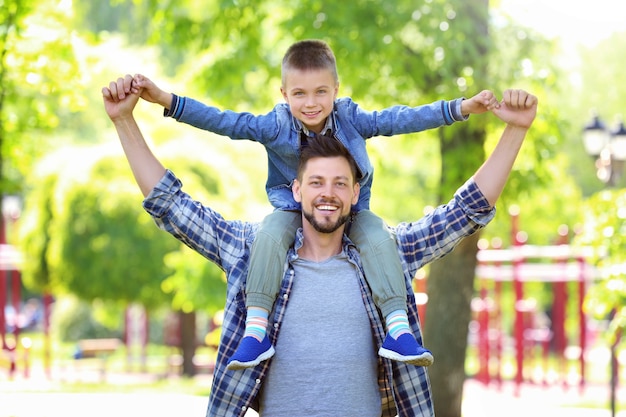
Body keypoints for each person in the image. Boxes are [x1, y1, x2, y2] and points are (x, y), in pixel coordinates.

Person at [102, 76, 538, 416]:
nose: (327, 193)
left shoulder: (387, 253)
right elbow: (172, 205)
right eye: (316, 182)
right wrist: (124, 120)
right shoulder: (254, 252)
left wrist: (514, 131)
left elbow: (465, 210)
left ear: (354, 193)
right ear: (295, 190)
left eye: (339, 183)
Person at [131, 39, 499, 369]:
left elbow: (400, 119)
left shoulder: (350, 118)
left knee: (378, 238)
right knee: (270, 235)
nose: (311, 104)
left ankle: (398, 330)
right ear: (284, 93)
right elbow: (225, 121)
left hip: (350, 210)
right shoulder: (274, 126)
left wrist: (460, 107)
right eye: (300, 94)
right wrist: (165, 99)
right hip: (292, 210)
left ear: (336, 90)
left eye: (321, 92)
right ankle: (256, 331)